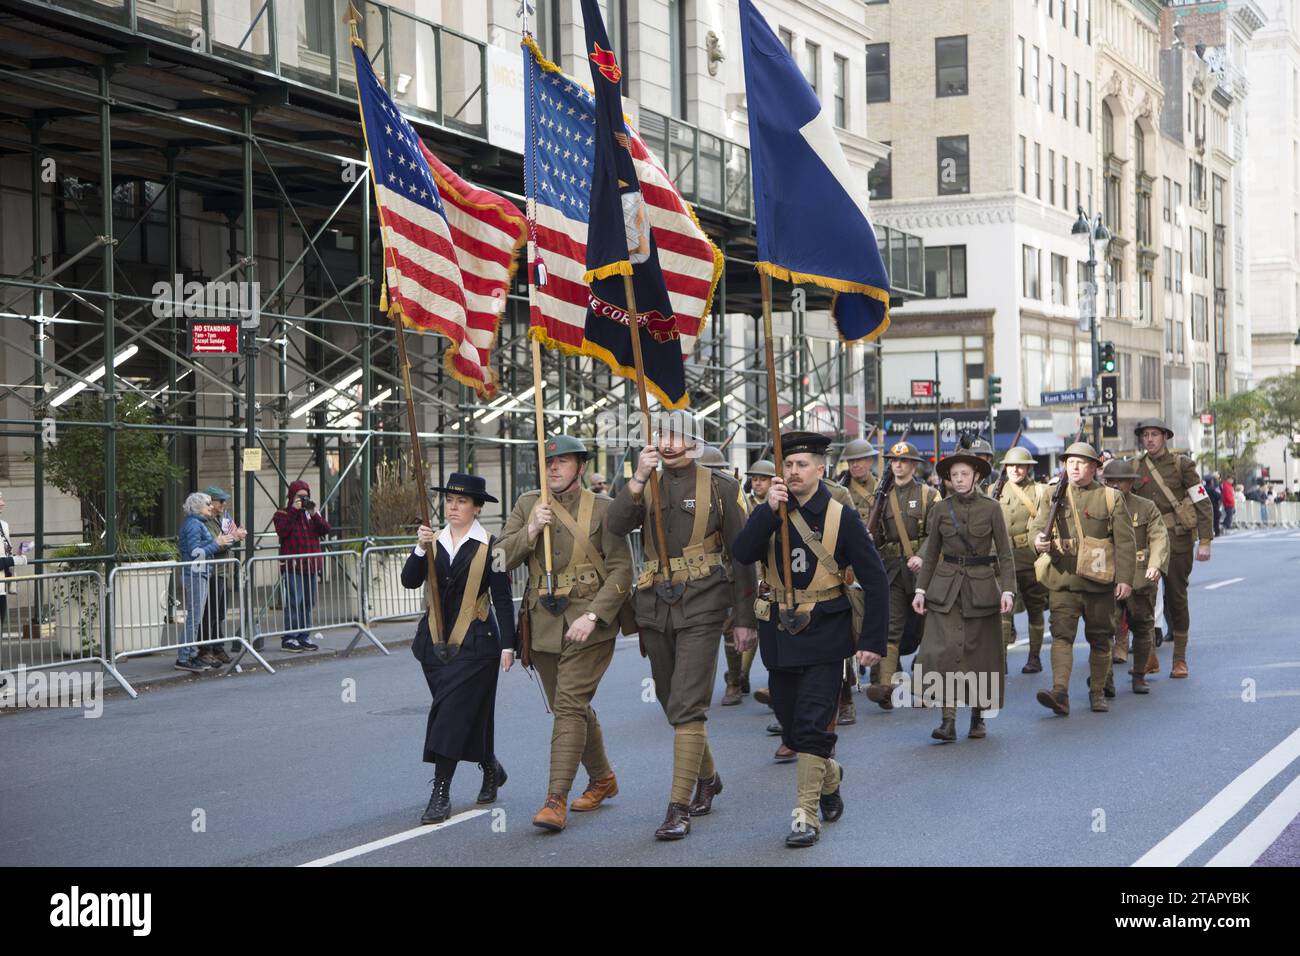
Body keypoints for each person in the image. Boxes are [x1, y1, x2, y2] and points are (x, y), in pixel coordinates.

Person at [606, 410, 757, 841]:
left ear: (693, 441)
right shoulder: (646, 483)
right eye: (661, 436)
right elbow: (614, 528)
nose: (668, 443)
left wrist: (745, 620)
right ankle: (708, 777)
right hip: (655, 604)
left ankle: (678, 807)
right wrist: (636, 478)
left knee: (688, 703)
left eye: (677, 436)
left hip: (705, 603)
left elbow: (743, 555)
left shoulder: (724, 488)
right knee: (674, 702)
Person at [731, 431, 888, 847]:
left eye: (802, 464)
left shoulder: (841, 516)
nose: (794, 471)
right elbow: (743, 554)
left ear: (820, 469)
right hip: (780, 634)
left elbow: (875, 580)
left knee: (813, 724)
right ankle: (830, 776)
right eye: (788, 464)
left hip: (825, 634)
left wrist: (872, 640)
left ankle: (805, 815)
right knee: (792, 729)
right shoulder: (769, 511)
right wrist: (768, 511)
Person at [498, 435, 632, 833]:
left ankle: (555, 799)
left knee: (570, 704)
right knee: (567, 707)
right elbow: (498, 559)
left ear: (580, 467)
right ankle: (603, 778)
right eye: (548, 463)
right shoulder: (528, 504)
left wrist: (592, 615)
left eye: (562, 461)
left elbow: (623, 570)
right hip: (542, 625)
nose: (553, 468)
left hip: (589, 623)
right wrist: (530, 531)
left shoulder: (604, 509)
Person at [408, 473, 516, 825]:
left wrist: (508, 644)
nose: (453, 507)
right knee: (459, 713)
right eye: (450, 501)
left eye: (463, 501)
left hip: (476, 644)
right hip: (433, 644)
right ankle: (489, 766)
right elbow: (410, 580)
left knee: (450, 714)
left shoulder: (493, 547)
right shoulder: (432, 541)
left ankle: (440, 791)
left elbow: (502, 598)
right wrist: (418, 549)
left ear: (477, 507)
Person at [912, 450, 1016, 741]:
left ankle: (978, 717)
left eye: (964, 474)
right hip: (945, 589)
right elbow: (931, 553)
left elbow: (1005, 554)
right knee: (944, 652)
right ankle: (947, 720)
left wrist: (1007, 590)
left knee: (979, 653)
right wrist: (921, 589)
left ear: (977, 477)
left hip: (981, 589)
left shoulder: (992, 508)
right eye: (954, 475)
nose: (958, 480)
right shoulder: (941, 509)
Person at [1030, 442, 1137, 716]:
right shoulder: (1052, 495)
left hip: (1098, 584)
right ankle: (1060, 692)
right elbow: (1037, 528)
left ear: (1094, 467)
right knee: (1061, 637)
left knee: (1101, 639)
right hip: (1063, 579)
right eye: (1070, 462)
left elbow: (1125, 543)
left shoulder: (1110, 498)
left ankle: (1097, 691)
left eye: (1081, 463)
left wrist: (1124, 579)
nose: (1075, 468)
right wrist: (1038, 542)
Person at [1130, 420, 1212, 678]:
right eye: (1145, 435)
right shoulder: (1136, 467)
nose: (1150, 439)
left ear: (1165, 437)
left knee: (1176, 598)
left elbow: (1202, 501)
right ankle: (1149, 657)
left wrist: (1206, 541)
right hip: (1147, 542)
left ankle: (1179, 659)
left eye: (1154, 434)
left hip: (1177, 540)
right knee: (1143, 599)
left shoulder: (1181, 465)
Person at [861, 440, 939, 709]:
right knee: (891, 628)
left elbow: (936, 533)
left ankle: (926, 684)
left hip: (924, 572)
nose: (898, 465)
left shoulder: (929, 495)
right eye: (894, 460)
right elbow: (877, 536)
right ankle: (886, 686)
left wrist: (923, 556)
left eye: (903, 461)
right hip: (893, 570)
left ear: (914, 465)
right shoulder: (881, 496)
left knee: (928, 630)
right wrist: (869, 537)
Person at [1101, 458, 1168, 696]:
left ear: (1131, 483)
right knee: (1104, 630)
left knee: (1142, 627)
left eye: (1122, 481)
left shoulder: (1145, 507)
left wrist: (1155, 564)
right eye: (1111, 481)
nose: (1116, 486)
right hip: (1107, 576)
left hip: (1139, 577)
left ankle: (1139, 675)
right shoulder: (1097, 505)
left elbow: (1159, 536)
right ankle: (1104, 679)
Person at [699, 445, 752, 707]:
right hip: (700, 577)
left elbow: (743, 537)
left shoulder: (731, 494)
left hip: (729, 573)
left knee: (731, 631)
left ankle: (734, 680)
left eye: (714, 472)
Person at [995, 446, 1051, 672]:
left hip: (1030, 559)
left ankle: (1034, 657)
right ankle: (1001, 660)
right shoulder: (994, 490)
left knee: (1035, 609)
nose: (1015, 470)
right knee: (1003, 611)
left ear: (1028, 467)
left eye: (1020, 466)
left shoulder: (1040, 492)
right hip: (1004, 561)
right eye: (1011, 466)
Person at [177, 492, 235, 672]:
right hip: (195, 573)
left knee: (195, 617)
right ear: (197, 507)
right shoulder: (194, 525)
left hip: (199, 573)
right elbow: (196, 552)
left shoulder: (196, 523)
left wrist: (220, 542)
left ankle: (190, 654)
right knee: (194, 618)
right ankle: (185, 656)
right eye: (207, 504)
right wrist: (217, 543)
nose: (211, 506)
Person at [272, 480, 332, 652]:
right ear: (292, 496)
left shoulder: (310, 515)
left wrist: (314, 513)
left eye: (306, 496)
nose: (304, 500)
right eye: (300, 496)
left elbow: (325, 529)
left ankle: (304, 636)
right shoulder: (282, 514)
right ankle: (290, 637)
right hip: (293, 566)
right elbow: (283, 531)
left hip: (311, 565)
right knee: (293, 601)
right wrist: (294, 510)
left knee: (307, 602)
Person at [202, 486, 246, 666]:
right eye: (220, 501)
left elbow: (227, 538)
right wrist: (234, 537)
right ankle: (206, 649)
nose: (223, 504)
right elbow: (216, 544)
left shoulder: (223, 518)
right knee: (209, 613)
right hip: (211, 571)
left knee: (219, 613)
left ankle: (217, 647)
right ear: (210, 502)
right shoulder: (205, 522)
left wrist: (237, 535)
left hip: (222, 572)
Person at [0, 489, 33, 629]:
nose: (3, 503)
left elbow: (5, 555)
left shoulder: (4, 525)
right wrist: (17, 560)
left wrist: (18, 554)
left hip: (1, 587)